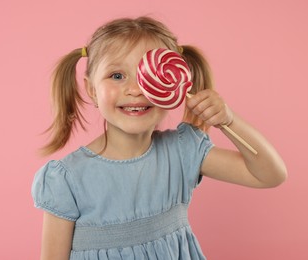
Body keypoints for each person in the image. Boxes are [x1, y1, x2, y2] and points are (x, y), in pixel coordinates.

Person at [31, 16, 287, 260]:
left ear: (176, 84)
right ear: (91, 89)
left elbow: (270, 174)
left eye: (151, 76)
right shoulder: (67, 179)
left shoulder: (182, 151)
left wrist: (229, 120)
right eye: (117, 76)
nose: (136, 89)